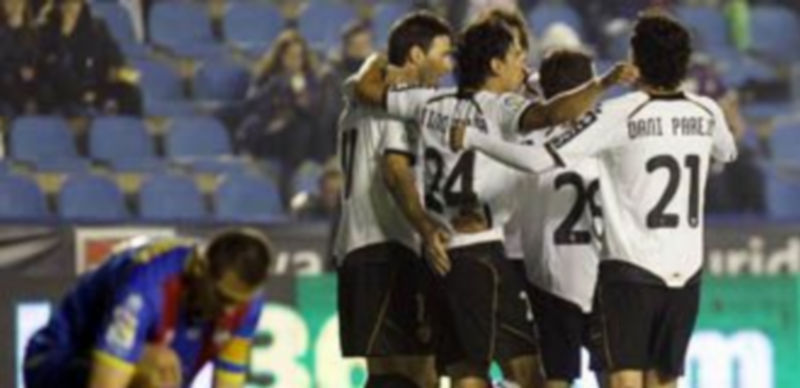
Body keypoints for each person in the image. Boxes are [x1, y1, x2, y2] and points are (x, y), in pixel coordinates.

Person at [452, 13, 737, 388]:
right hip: (686, 273)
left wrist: (474, 138)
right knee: (665, 381)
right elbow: (728, 151)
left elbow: (537, 160)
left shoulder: (619, 113)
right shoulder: (707, 111)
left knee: (622, 381)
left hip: (630, 270)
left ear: (636, 60)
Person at [353, 13, 634, 388]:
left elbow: (366, 89)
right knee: (523, 374)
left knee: (467, 372)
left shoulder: (427, 102)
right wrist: (603, 84)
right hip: (480, 254)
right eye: (517, 55)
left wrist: (377, 61)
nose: (523, 63)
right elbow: (554, 112)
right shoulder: (501, 108)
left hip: (441, 252)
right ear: (496, 65)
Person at [334, 11, 453, 388]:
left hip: (356, 248)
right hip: (391, 247)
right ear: (416, 55)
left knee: (384, 374)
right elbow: (395, 171)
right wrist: (427, 228)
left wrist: (375, 62)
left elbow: (356, 84)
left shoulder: (358, 97)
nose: (448, 66)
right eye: (443, 54)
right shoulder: (398, 102)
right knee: (421, 374)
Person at [23, 228, 273, 388]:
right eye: (222, 298)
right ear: (199, 270)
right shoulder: (147, 284)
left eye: (240, 302)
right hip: (59, 362)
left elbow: (229, 381)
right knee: (159, 368)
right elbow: (105, 383)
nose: (229, 312)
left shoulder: (246, 303)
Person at [516, 50, 603, 388]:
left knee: (556, 375)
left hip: (547, 277)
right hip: (600, 273)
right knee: (614, 373)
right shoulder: (605, 138)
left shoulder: (525, 140)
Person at [39, 0, 142, 116]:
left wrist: (121, 70)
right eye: (67, 5)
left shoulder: (97, 26)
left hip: (96, 87)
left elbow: (113, 54)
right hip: (64, 92)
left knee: (130, 92)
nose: (71, 8)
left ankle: (131, 126)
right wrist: (64, 35)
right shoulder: (47, 30)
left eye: (75, 4)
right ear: (58, 6)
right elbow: (52, 67)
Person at [0, 0, 46, 115]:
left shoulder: (32, 31)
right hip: (7, 81)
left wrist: (32, 68)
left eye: (19, 2)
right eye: (9, 2)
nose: (15, 6)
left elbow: (36, 57)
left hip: (28, 82)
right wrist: (18, 69)